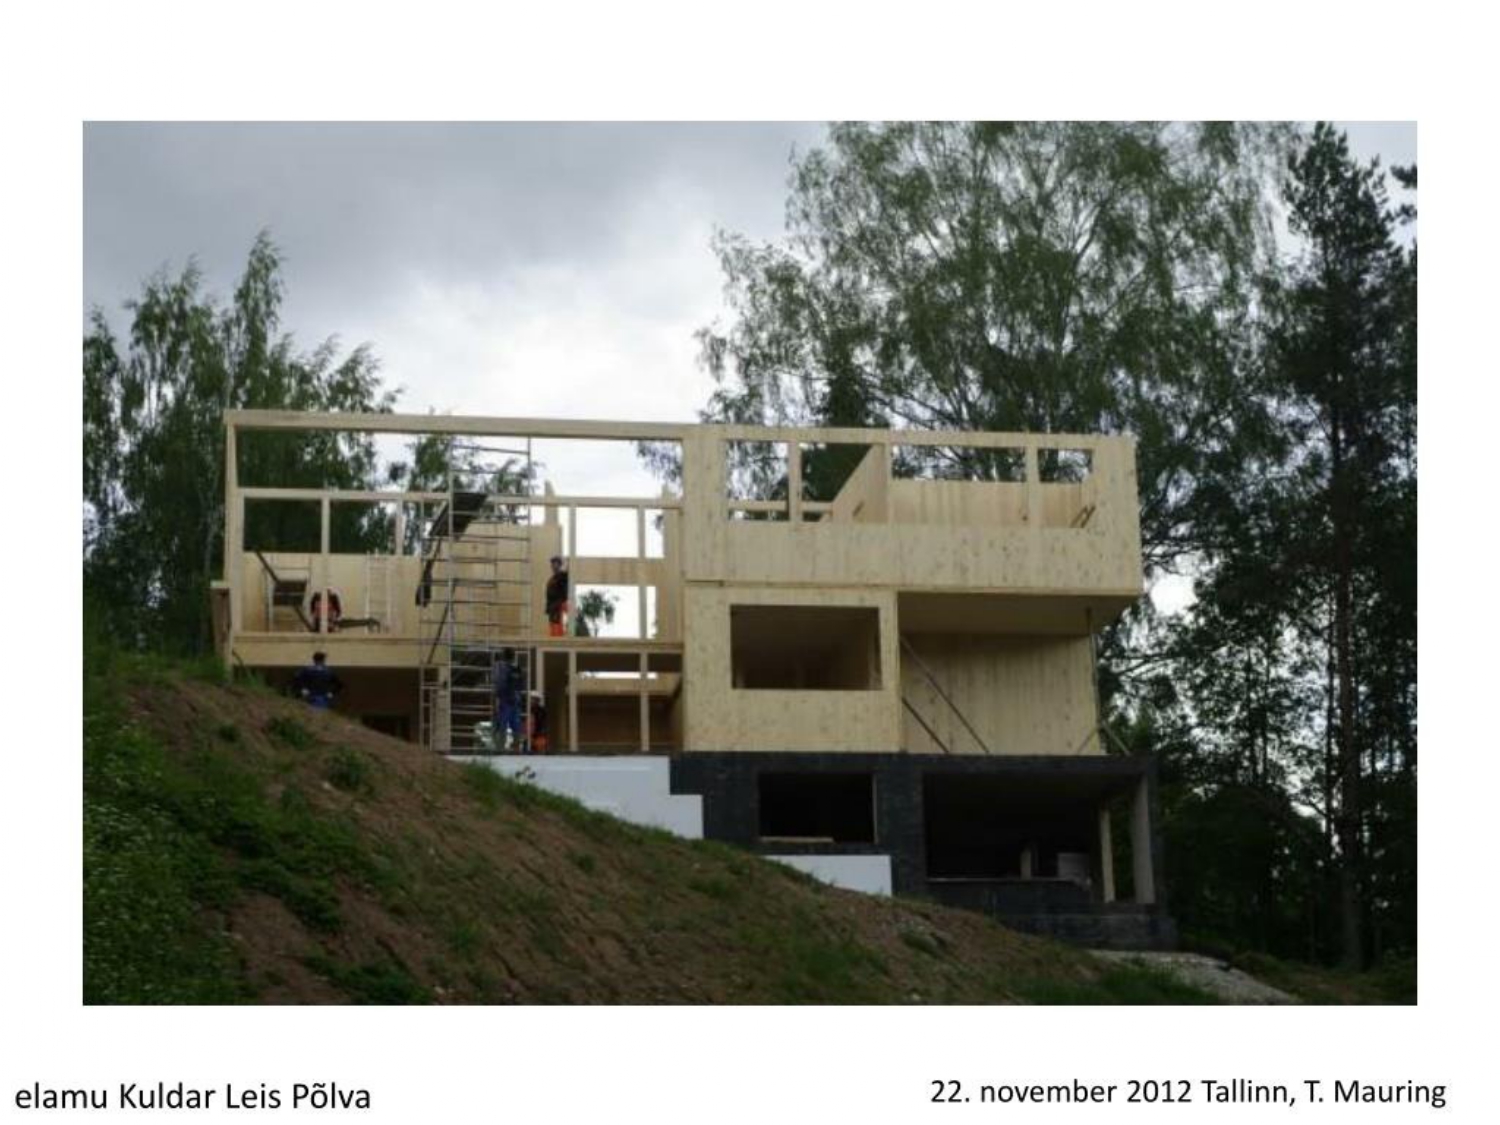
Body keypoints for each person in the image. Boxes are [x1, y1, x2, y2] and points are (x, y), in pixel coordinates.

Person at [493, 648, 524, 750]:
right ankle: (516, 747)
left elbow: (500, 683)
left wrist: (497, 697)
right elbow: (521, 685)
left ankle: (500, 748)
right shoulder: (517, 669)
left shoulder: (501, 667)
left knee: (502, 724)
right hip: (516, 699)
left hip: (505, 699)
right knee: (516, 725)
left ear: (504, 656)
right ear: (513, 656)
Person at [545, 555, 570, 637]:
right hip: (552, 608)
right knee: (553, 630)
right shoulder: (551, 580)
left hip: (559, 606)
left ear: (559, 565)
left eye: (555, 563)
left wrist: (569, 563)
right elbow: (548, 596)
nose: (552, 565)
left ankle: (559, 642)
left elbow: (568, 573)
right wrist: (548, 609)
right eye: (552, 564)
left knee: (559, 630)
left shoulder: (562, 576)